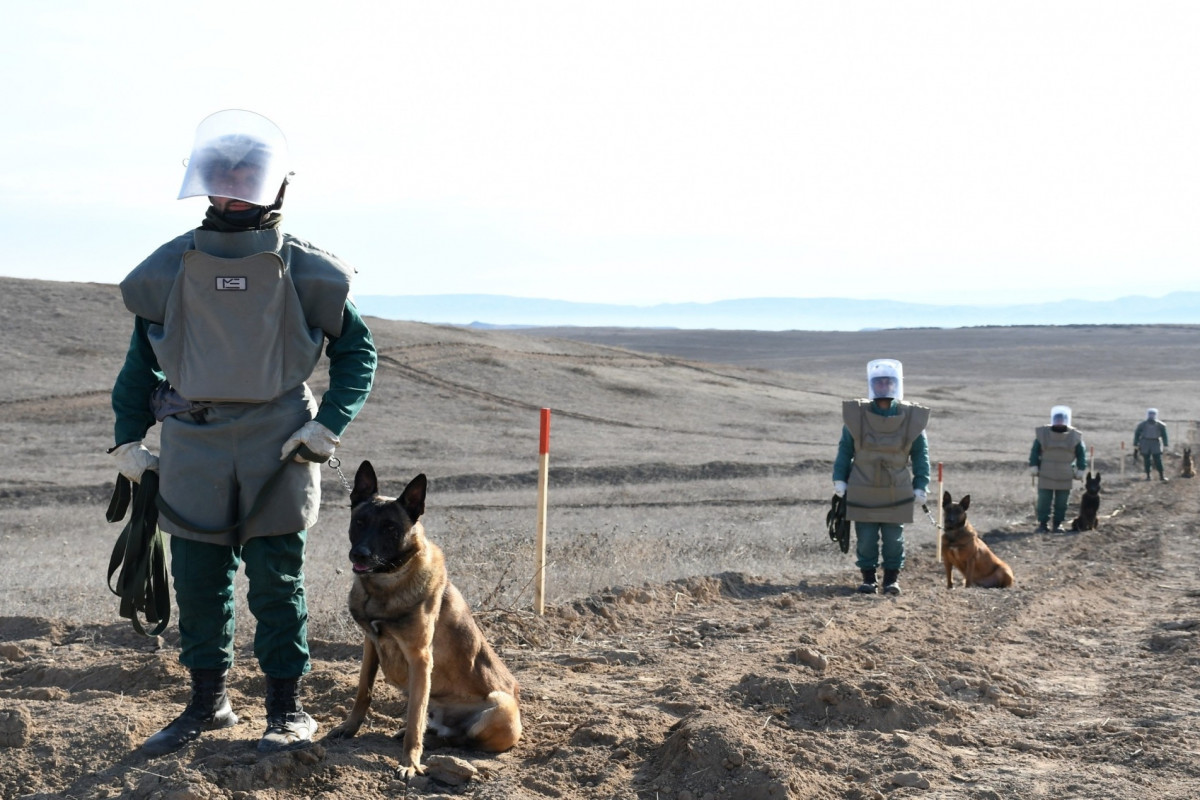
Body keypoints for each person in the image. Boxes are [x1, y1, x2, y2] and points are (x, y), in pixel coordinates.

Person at [109, 110, 377, 756]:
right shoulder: (169, 267)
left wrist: (326, 426)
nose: (230, 195)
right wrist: (128, 439)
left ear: (272, 186)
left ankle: (288, 709)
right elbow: (139, 361)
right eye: (221, 181)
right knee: (200, 581)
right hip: (193, 444)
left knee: (277, 584)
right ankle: (207, 705)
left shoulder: (310, 271)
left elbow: (357, 354)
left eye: (244, 181)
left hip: (280, 443)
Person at [831, 359, 931, 596]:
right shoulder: (857, 416)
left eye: (888, 381)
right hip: (862, 485)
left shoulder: (912, 418)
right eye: (879, 382)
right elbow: (845, 449)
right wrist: (839, 478)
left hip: (896, 486)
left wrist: (921, 484)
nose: (884, 386)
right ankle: (868, 579)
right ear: (872, 385)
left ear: (896, 384)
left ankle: (891, 580)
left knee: (893, 539)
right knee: (865, 538)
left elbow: (920, 455)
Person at [1028, 405, 1087, 532]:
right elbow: (1035, 451)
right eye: (1057, 419)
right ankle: (1042, 524)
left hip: (1065, 474)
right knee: (1044, 500)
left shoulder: (1074, 436)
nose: (1059, 422)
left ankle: (1057, 524)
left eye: (1062, 419)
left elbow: (1081, 454)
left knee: (1062, 502)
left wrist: (1081, 468)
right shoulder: (1042, 434)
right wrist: (1033, 465)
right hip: (1045, 473)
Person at [1133, 408, 1169, 481]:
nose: (1151, 416)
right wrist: (1135, 443)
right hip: (1145, 442)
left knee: (1158, 459)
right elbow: (1137, 434)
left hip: (1156, 442)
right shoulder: (1142, 425)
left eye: (1153, 414)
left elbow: (1164, 435)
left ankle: (1161, 475)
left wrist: (1165, 444)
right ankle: (1148, 476)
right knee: (1147, 460)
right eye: (1150, 414)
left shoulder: (1160, 425)